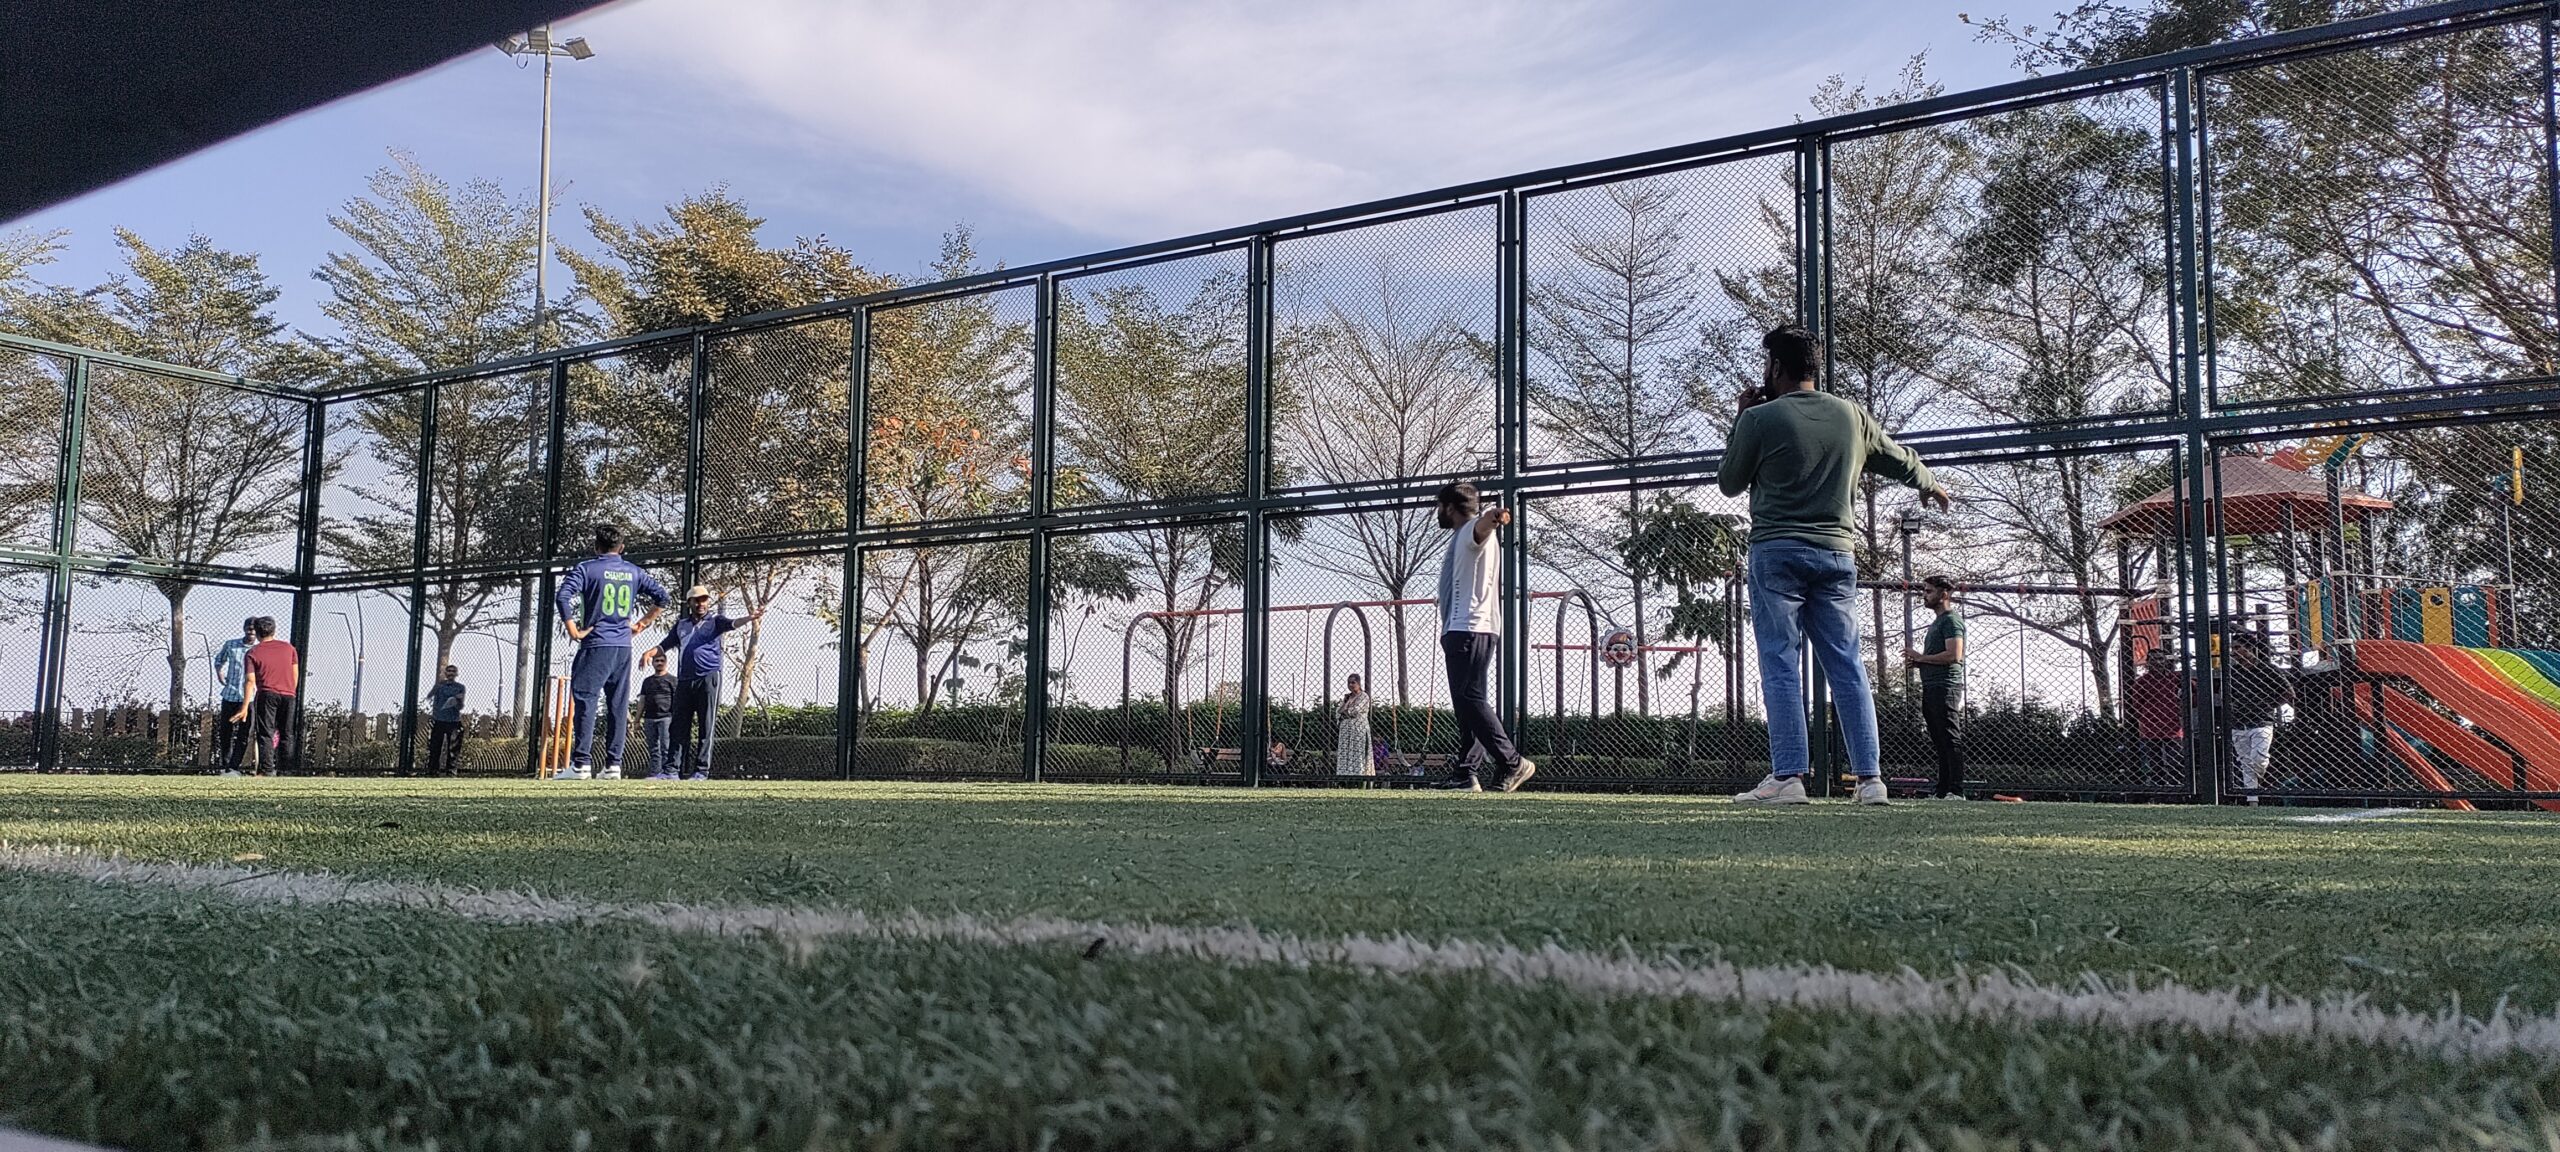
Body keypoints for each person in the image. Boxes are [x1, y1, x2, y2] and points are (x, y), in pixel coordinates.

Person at [1719, 325, 1950, 806]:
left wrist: (1741, 420)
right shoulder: (1852, 416)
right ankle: (1870, 780)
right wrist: (1928, 481)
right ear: (1815, 367)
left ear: (1775, 367)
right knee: (1847, 664)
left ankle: (1788, 777)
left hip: (1777, 551)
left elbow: (1730, 482)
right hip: (1837, 554)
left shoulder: (1759, 418)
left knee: (1781, 662)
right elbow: (1896, 458)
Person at [1431, 481, 1535, 793]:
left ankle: (1513, 762)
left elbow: (1482, 527)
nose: (1438, 512)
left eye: (1440, 507)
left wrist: (1493, 516)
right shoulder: (1463, 535)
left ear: (1450, 507)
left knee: (1470, 700)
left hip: (1468, 628)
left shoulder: (1470, 532)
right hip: (1469, 629)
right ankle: (1466, 773)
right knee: (1468, 704)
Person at [554, 524, 670, 780]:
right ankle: (613, 765)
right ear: (622, 548)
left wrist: (574, 630)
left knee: (586, 700)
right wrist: (642, 624)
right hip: (623, 648)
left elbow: (562, 597)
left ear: (596, 547)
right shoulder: (634, 571)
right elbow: (663, 597)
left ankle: (581, 764)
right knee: (617, 704)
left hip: (596, 644)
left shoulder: (586, 568)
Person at [649, 585, 737, 782]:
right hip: (685, 680)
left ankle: (701, 771)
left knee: (706, 725)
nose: (701, 603)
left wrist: (750, 618)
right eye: (697, 600)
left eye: (704, 599)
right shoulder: (681, 625)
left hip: (708, 678)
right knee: (678, 726)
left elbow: (733, 623)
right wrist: (649, 653)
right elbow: (665, 645)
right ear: (689, 603)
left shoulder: (715, 621)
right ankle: (671, 771)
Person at [1902, 574, 1968, 799]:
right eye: (1924, 590)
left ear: (1944, 594)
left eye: (1929, 591)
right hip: (1932, 686)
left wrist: (1922, 658)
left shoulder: (1951, 621)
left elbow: (1954, 655)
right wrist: (1920, 662)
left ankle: (1956, 790)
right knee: (1939, 739)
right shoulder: (1938, 622)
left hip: (1946, 686)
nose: (1924, 595)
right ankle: (1942, 790)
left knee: (1949, 737)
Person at [2223, 632, 2293, 803]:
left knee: (2258, 758)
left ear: (2250, 648)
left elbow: (2288, 692)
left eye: (2238, 648)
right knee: (2245, 763)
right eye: (2233, 648)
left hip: (2262, 721)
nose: (2234, 652)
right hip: (2238, 722)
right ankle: (2252, 800)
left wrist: (2268, 705)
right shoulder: (2233, 672)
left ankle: (2263, 779)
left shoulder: (2267, 669)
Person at [233, 616, 298, 776]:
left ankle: (267, 770)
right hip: (289, 695)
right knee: (287, 733)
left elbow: (250, 681)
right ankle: (286, 771)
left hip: (267, 694)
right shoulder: (289, 648)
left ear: (257, 633)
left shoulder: (252, 652)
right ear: (274, 630)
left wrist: (244, 707)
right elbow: (295, 674)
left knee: (266, 733)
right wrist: (290, 690)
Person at [2126, 647, 2184, 786]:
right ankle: (2158, 790)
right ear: (2148, 663)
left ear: (2166, 661)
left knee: (2175, 762)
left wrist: (2182, 706)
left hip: (2173, 726)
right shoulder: (2141, 682)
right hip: (2151, 728)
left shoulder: (2175, 678)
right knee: (2154, 764)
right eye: (2154, 660)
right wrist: (2145, 719)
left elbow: (2193, 689)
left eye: (2160, 659)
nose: (2158, 662)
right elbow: (2136, 705)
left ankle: (2177, 789)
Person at [212, 617, 254, 773]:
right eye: (248, 627)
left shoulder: (259, 649)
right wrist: (219, 674)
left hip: (249, 699)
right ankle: (225, 765)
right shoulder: (231, 644)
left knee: (245, 733)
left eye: (254, 628)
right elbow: (219, 660)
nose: (251, 630)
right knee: (225, 732)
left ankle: (235, 766)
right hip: (230, 695)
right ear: (244, 628)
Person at [638, 650, 678, 781]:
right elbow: (642, 700)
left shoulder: (673, 680)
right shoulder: (647, 681)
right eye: (657, 661)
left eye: (662, 661)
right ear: (653, 663)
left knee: (666, 747)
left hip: (666, 717)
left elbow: (677, 701)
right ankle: (655, 773)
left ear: (666, 663)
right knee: (653, 748)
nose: (659, 663)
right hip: (649, 718)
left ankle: (668, 772)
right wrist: (637, 719)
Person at [424, 665, 465, 776]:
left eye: (453, 671)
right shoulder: (439, 686)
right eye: (449, 671)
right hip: (439, 720)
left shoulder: (460, 687)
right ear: (446, 673)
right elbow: (429, 697)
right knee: (435, 747)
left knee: (453, 749)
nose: (451, 673)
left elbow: (460, 706)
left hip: (453, 721)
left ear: (456, 674)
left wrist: (457, 700)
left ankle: (451, 772)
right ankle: (433, 771)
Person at [1334, 674, 1373, 778]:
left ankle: (1360, 776)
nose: (1350, 685)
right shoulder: (1347, 698)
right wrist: (1346, 705)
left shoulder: (1364, 696)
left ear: (1359, 683)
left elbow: (1354, 711)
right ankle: (1345, 777)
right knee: (1345, 753)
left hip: (1358, 730)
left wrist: (1344, 712)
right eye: (1349, 683)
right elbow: (1338, 712)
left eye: (1353, 682)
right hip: (1346, 731)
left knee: (1358, 753)